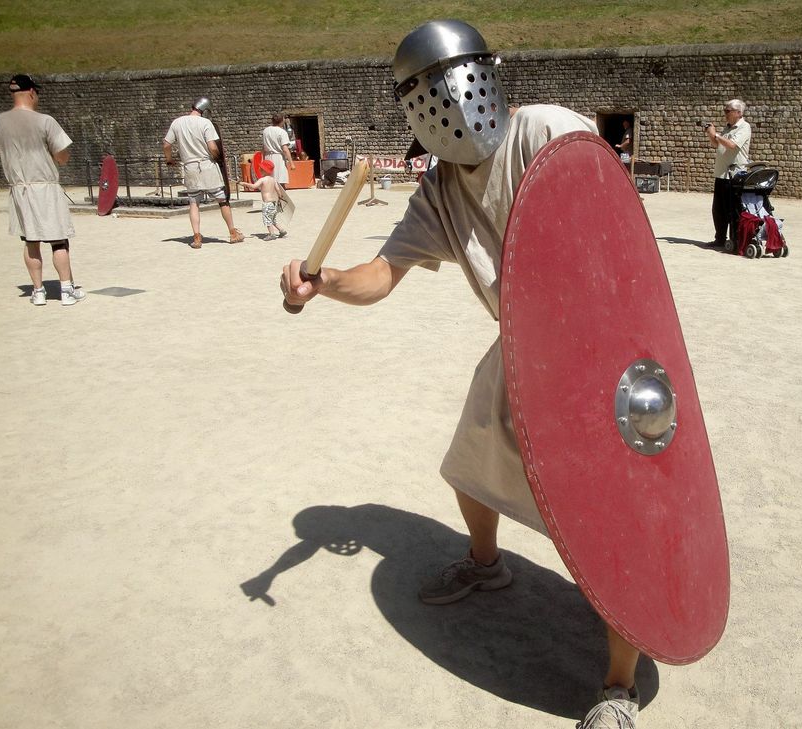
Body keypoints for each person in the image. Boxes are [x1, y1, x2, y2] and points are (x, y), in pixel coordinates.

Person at [281, 20, 643, 729]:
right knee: (468, 459)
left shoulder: (546, 130)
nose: (444, 100)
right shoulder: (440, 192)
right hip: (521, 346)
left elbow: (612, 220)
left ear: (486, 73)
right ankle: (486, 563)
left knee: (610, 516)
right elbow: (382, 274)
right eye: (420, 92)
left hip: (600, 348)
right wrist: (322, 285)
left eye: (449, 80)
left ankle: (619, 689)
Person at [0, 74, 86, 306]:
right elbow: (62, 156)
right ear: (32, 92)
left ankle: (38, 291)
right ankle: (66, 289)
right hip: (44, 187)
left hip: (19, 188)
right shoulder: (45, 121)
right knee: (58, 241)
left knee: (30, 241)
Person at [162, 97, 244, 249]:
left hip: (190, 167)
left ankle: (197, 237)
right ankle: (233, 233)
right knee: (222, 200)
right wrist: (218, 158)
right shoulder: (206, 123)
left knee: (194, 203)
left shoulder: (177, 122)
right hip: (207, 166)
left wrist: (169, 159)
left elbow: (166, 144)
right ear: (205, 111)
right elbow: (212, 147)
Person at [705, 99, 751, 247]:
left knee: (733, 209)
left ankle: (735, 240)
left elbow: (731, 145)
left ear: (738, 113)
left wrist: (717, 135)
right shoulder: (728, 128)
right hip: (721, 174)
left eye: (728, 111)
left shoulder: (744, 127)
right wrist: (711, 134)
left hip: (735, 175)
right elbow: (717, 145)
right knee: (718, 209)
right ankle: (720, 238)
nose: (725, 113)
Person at [239, 159, 288, 240]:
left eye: (261, 169)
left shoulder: (262, 179)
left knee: (267, 219)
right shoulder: (273, 180)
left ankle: (271, 234)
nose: (259, 170)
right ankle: (282, 230)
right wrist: (280, 197)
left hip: (267, 203)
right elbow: (278, 190)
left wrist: (244, 183)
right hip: (274, 203)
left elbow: (253, 186)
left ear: (264, 170)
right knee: (273, 219)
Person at [262, 113, 295, 188]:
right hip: (278, 158)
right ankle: (280, 197)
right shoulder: (282, 132)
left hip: (268, 157)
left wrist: (263, 159)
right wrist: (291, 163)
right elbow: (285, 149)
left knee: (270, 180)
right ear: (282, 121)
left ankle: (272, 197)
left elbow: (263, 147)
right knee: (280, 180)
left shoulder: (266, 131)